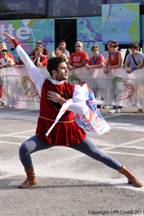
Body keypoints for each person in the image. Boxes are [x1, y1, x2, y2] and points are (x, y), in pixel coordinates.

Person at [3, 32, 143, 189]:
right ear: (54, 72)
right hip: (49, 130)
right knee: (24, 149)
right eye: (63, 68)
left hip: (70, 131)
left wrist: (62, 101)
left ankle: (129, 174)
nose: (67, 70)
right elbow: (28, 62)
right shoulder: (42, 82)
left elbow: (82, 109)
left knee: (98, 154)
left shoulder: (74, 88)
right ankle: (31, 178)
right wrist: (15, 42)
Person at [124, 42, 144, 114]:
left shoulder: (141, 55)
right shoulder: (129, 55)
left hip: (141, 75)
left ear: (137, 48)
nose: (132, 50)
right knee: (136, 91)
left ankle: (141, 107)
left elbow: (141, 65)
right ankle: (140, 107)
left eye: (134, 48)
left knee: (141, 91)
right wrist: (126, 68)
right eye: (131, 48)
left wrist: (132, 68)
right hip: (134, 76)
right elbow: (125, 63)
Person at [104, 41, 123, 113]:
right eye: (111, 46)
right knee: (112, 91)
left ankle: (116, 107)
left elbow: (120, 65)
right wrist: (106, 67)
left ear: (117, 47)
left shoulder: (119, 53)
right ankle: (116, 106)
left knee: (117, 91)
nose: (112, 48)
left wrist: (110, 67)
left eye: (114, 46)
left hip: (118, 74)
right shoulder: (109, 54)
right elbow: (106, 63)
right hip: (112, 74)